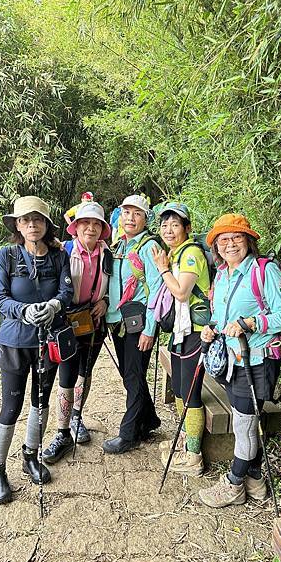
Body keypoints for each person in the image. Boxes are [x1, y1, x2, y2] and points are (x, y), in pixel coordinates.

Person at [198, 213, 281, 508]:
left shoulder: (265, 271)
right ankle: (255, 478)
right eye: (223, 240)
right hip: (231, 360)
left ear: (248, 241)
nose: (229, 245)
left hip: (257, 361)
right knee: (246, 420)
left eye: (236, 238)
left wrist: (251, 323)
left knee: (243, 424)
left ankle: (234, 483)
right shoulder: (223, 274)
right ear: (216, 247)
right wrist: (212, 326)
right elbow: (221, 316)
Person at [0, 196, 74, 504]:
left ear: (46, 224)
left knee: (41, 402)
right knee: (10, 408)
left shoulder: (58, 255)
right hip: (15, 342)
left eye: (37, 220)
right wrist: (23, 311)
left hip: (47, 341)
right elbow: (0, 297)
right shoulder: (7, 256)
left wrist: (54, 305)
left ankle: (30, 456)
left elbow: (67, 290)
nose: (31, 225)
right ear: (17, 226)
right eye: (25, 220)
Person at [42, 202, 112, 462]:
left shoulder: (108, 254)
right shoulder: (64, 251)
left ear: (102, 229)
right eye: (86, 223)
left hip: (93, 322)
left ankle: (77, 417)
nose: (91, 228)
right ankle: (62, 433)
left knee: (86, 371)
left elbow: (112, 285)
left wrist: (105, 301)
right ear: (76, 227)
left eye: (96, 224)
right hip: (67, 322)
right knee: (67, 376)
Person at [151, 202, 211, 476]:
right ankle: (186, 443)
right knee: (178, 388)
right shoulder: (176, 253)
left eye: (175, 224)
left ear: (187, 228)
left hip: (196, 334)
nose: (169, 230)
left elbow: (182, 292)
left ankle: (195, 457)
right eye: (164, 225)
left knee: (190, 393)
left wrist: (163, 269)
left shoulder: (190, 254)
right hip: (181, 330)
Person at [103, 194, 163, 453]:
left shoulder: (149, 247)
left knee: (134, 376)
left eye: (137, 213)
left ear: (145, 219)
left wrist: (150, 330)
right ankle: (148, 420)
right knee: (130, 376)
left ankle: (128, 435)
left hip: (139, 326)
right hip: (119, 322)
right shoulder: (119, 246)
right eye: (127, 212)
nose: (130, 217)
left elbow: (158, 290)